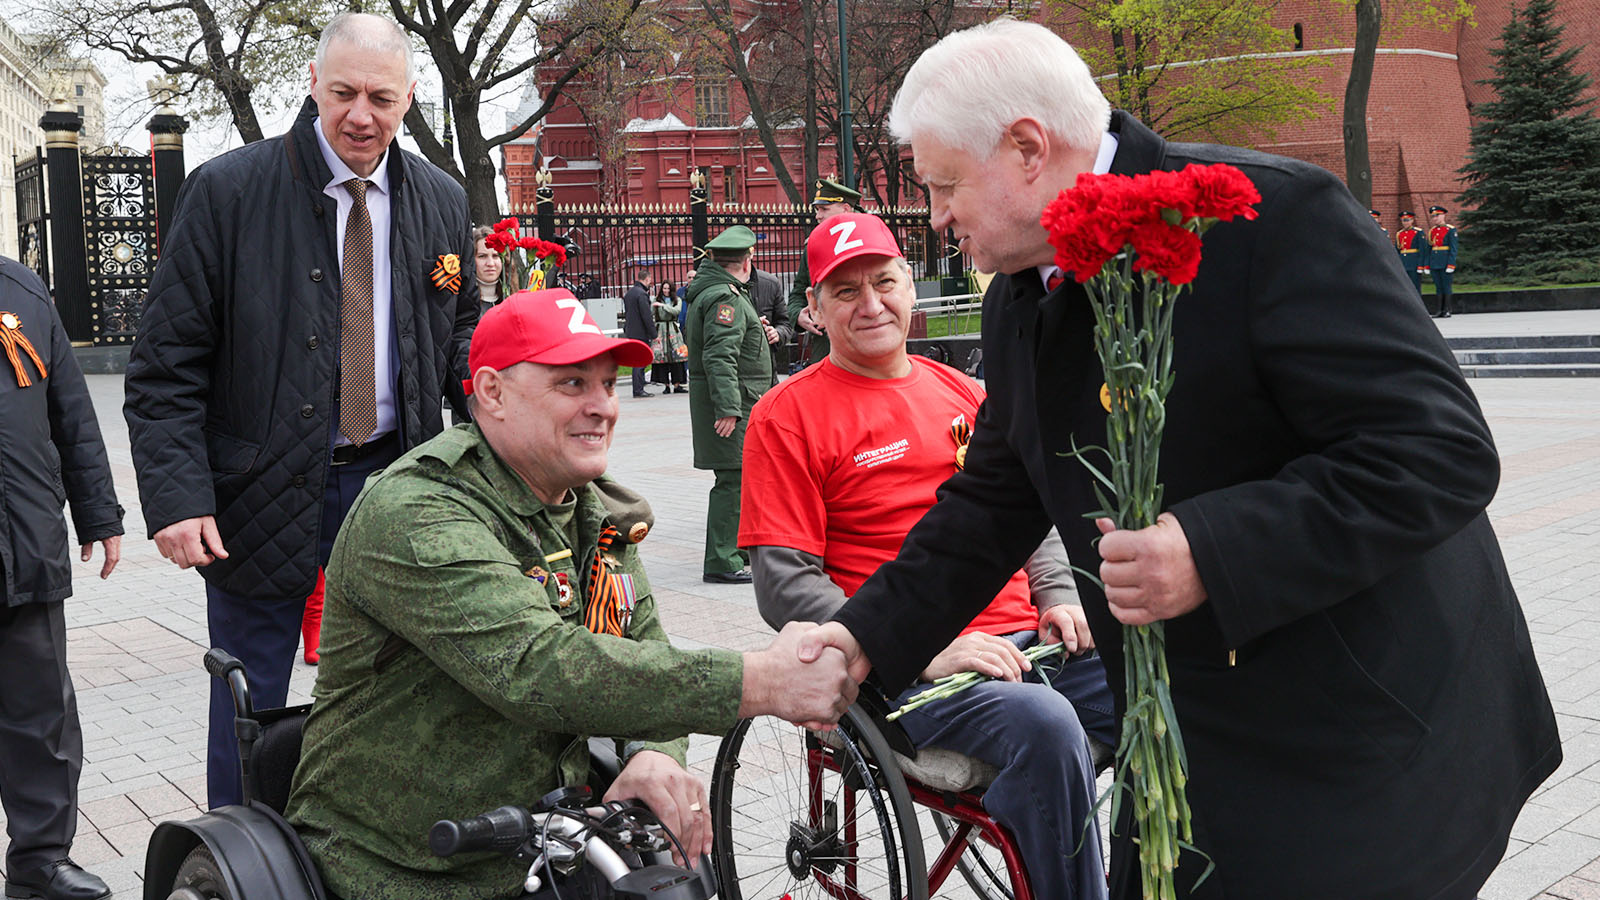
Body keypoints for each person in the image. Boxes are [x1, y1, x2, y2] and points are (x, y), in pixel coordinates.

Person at [793, 19, 1559, 900]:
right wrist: (865, 637)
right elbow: (994, 500)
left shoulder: (1271, 218)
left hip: (1360, 746)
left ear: (1028, 149)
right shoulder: (1019, 294)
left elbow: (1440, 451)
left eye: (944, 185)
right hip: (1187, 749)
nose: (934, 217)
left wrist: (1210, 549)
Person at [284, 289, 858, 900]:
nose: (602, 406)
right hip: (400, 867)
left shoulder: (593, 511)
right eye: (572, 384)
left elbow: (642, 647)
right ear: (492, 392)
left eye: (608, 384)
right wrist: (761, 680)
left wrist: (654, 752)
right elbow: (538, 667)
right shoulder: (417, 510)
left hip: (553, 851)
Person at [123, 12, 476, 809]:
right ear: (313, 84)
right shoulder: (228, 192)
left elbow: (461, 339)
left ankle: (371, 844)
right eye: (344, 92)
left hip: (397, 481)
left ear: (409, 99)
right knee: (248, 697)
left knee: (401, 687)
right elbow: (165, 366)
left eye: (381, 98)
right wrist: (178, 499)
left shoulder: (439, 199)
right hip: (258, 490)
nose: (361, 115)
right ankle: (235, 855)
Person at [741, 215, 1115, 900]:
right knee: (1049, 726)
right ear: (814, 309)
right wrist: (914, 646)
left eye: (884, 282)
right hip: (903, 672)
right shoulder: (785, 416)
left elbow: (1029, 510)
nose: (871, 304)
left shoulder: (967, 392)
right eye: (846, 291)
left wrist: (1061, 595)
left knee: (1160, 678)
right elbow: (784, 585)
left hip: (1028, 642)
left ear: (911, 286)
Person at [0, 258, 122, 900]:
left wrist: (98, 512)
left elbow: (71, 411)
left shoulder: (20, 289)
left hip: (25, 544)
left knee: (42, 716)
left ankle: (41, 861)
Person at [686, 226, 771, 584]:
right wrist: (729, 409)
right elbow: (719, 355)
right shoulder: (727, 297)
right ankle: (722, 560)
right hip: (737, 403)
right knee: (733, 480)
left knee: (739, 477)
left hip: (736, 399)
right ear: (746, 261)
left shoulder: (717, 291)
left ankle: (735, 550)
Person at [786, 179, 861, 367]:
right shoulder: (813, 245)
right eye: (817, 210)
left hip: (865, 341)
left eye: (824, 209)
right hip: (825, 348)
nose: (817, 216)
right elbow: (799, 292)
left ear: (845, 209)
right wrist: (798, 315)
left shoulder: (870, 239)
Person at [748, 267, 793, 382]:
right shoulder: (718, 284)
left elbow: (785, 324)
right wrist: (752, 325)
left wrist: (777, 333)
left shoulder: (770, 283)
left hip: (767, 374)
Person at [622, 268, 656, 396]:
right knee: (640, 360)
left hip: (631, 331)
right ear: (647, 279)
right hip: (640, 332)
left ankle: (639, 384)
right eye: (650, 279)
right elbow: (646, 316)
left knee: (637, 359)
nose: (650, 282)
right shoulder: (641, 294)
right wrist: (654, 334)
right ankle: (638, 389)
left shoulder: (630, 293)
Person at [650, 280, 688, 393]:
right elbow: (651, 312)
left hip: (673, 330)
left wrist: (663, 306)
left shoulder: (677, 300)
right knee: (662, 357)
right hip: (660, 331)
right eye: (664, 288)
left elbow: (676, 311)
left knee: (677, 357)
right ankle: (666, 385)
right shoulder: (655, 300)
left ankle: (677, 385)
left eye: (668, 288)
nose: (666, 291)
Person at [1426, 204, 1460, 318]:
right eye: (1433, 216)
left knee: (1446, 286)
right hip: (1435, 262)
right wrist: (1427, 265)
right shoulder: (1432, 231)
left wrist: (1451, 264)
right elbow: (1429, 249)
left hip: (1445, 262)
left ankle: (1448, 309)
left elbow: (1453, 249)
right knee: (1438, 287)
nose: (1435, 218)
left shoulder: (1450, 230)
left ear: (1443, 215)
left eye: (1437, 215)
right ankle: (1439, 310)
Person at [471, 224, 506, 315]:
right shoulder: (462, 304)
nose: (490, 263)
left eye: (495, 256)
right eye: (482, 256)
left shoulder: (514, 298)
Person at [1395, 210, 1427, 298]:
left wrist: (1420, 265)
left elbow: (1422, 250)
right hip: (1403, 263)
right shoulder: (1399, 234)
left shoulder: (1418, 232)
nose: (1405, 223)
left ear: (1412, 220)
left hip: (1414, 263)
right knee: (1404, 287)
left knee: (1415, 287)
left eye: (1407, 220)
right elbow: (1397, 251)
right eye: (1403, 220)